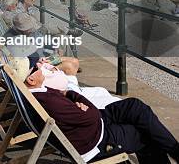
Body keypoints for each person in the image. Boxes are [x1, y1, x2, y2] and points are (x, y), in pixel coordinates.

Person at [19, 63, 179, 163]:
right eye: (36, 69)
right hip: (95, 141)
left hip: (91, 126)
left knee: (134, 106)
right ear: (31, 80)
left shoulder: (37, 93)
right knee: (143, 135)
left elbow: (65, 95)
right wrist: (77, 100)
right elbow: (91, 115)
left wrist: (72, 99)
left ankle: (176, 151)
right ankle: (175, 151)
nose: (40, 68)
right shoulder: (47, 101)